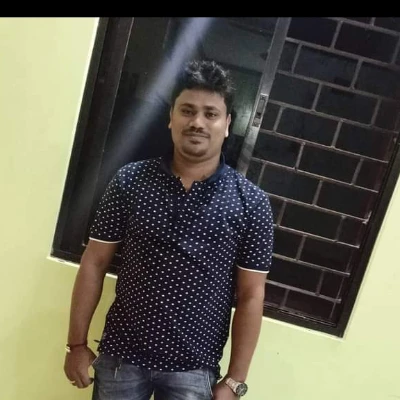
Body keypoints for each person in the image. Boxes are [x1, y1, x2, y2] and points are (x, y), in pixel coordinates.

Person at [64, 59, 274, 400]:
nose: (197, 122)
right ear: (171, 117)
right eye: (187, 110)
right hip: (121, 360)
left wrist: (235, 381)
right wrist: (76, 344)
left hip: (194, 370)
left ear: (227, 124)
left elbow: (251, 294)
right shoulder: (131, 181)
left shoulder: (251, 202)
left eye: (210, 113)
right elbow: (94, 262)